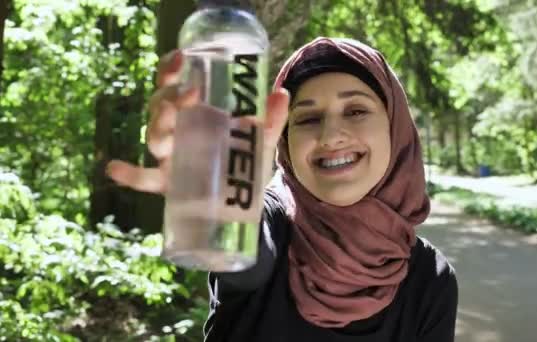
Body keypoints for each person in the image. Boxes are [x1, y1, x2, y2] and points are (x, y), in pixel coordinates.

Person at [107, 37, 458, 341]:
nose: (331, 136)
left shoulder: (430, 278)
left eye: (355, 111)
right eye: (307, 119)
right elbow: (242, 246)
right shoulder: (269, 224)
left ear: (395, 129)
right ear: (286, 144)